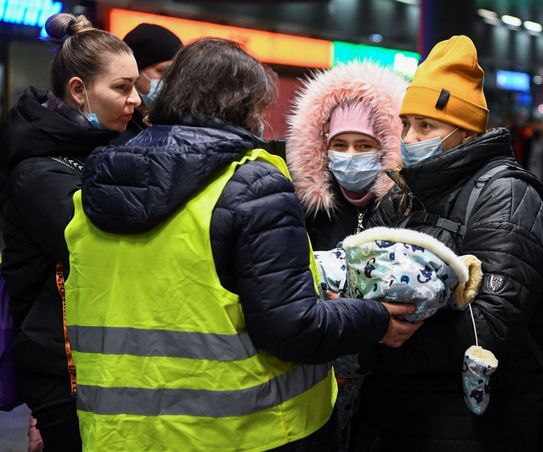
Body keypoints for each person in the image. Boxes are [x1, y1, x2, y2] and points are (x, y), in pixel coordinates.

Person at [62, 37, 421, 451]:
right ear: (242, 106)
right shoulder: (251, 186)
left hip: (117, 434)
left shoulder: (94, 187)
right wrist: (376, 319)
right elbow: (292, 327)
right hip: (240, 433)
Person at [351, 35, 543, 451]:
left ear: (465, 131)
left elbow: (485, 330)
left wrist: (374, 340)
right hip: (400, 416)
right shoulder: (403, 194)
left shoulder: (507, 198)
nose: (409, 137)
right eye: (407, 124)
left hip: (477, 427)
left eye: (426, 126)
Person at [0, 13, 140, 451]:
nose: (136, 99)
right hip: (62, 371)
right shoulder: (38, 173)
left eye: (138, 86)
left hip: (104, 357)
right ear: (79, 90)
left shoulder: (108, 147)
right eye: (121, 88)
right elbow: (103, 243)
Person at [286, 61, 406, 250]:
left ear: (387, 150)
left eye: (364, 145)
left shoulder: (406, 210)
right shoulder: (304, 210)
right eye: (340, 145)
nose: (350, 155)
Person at [115, 23, 183, 143]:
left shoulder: (182, 124)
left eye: (177, 71)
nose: (172, 79)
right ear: (134, 74)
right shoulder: (114, 129)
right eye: (163, 71)